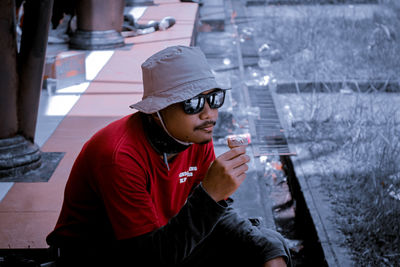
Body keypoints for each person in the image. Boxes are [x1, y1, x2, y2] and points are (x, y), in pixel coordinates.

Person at [46, 46, 291, 267]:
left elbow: (213, 215)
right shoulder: (119, 157)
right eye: (193, 103)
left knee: (266, 245)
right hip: (102, 253)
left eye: (214, 99)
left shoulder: (195, 136)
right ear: (156, 111)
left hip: (162, 239)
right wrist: (210, 195)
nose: (209, 114)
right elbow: (150, 258)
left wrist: (261, 245)